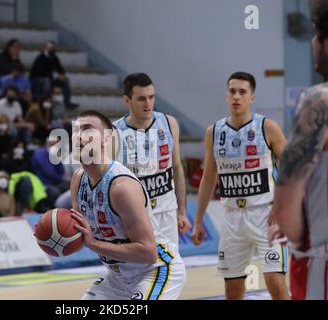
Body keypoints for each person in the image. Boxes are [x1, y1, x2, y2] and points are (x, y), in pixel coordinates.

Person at [190, 72, 290, 300]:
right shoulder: (213, 132)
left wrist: (281, 205)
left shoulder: (268, 127)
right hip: (232, 217)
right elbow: (208, 178)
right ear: (226, 96)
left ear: (251, 98)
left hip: (266, 216)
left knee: (275, 283)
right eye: (232, 91)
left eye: (242, 92)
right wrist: (198, 220)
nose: (236, 96)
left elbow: (291, 168)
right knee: (233, 290)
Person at [68, 110, 185, 300]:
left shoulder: (121, 187)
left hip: (156, 269)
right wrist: (56, 236)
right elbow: (79, 232)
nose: (78, 136)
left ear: (106, 139)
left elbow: (148, 252)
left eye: (87, 130)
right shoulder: (77, 179)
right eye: (75, 131)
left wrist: (94, 244)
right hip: (119, 277)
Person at [269, 0, 328, 300]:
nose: (313, 44)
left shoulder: (319, 101)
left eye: (316, 33)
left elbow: (285, 204)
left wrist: (299, 235)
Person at [113, 73, 191, 250]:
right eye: (141, 99)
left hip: (167, 212)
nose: (148, 104)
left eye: (151, 97)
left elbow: (177, 169)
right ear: (127, 100)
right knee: (141, 271)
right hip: (135, 216)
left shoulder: (169, 123)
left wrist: (183, 212)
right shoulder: (114, 133)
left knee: (172, 270)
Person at [30, 41, 77, 109]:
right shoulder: (40, 58)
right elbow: (38, 72)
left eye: (53, 48)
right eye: (50, 48)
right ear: (46, 48)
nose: (52, 50)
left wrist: (62, 75)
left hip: (49, 80)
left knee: (65, 80)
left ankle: (67, 103)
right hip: (38, 81)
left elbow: (60, 68)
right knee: (46, 81)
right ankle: (46, 103)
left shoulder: (54, 58)